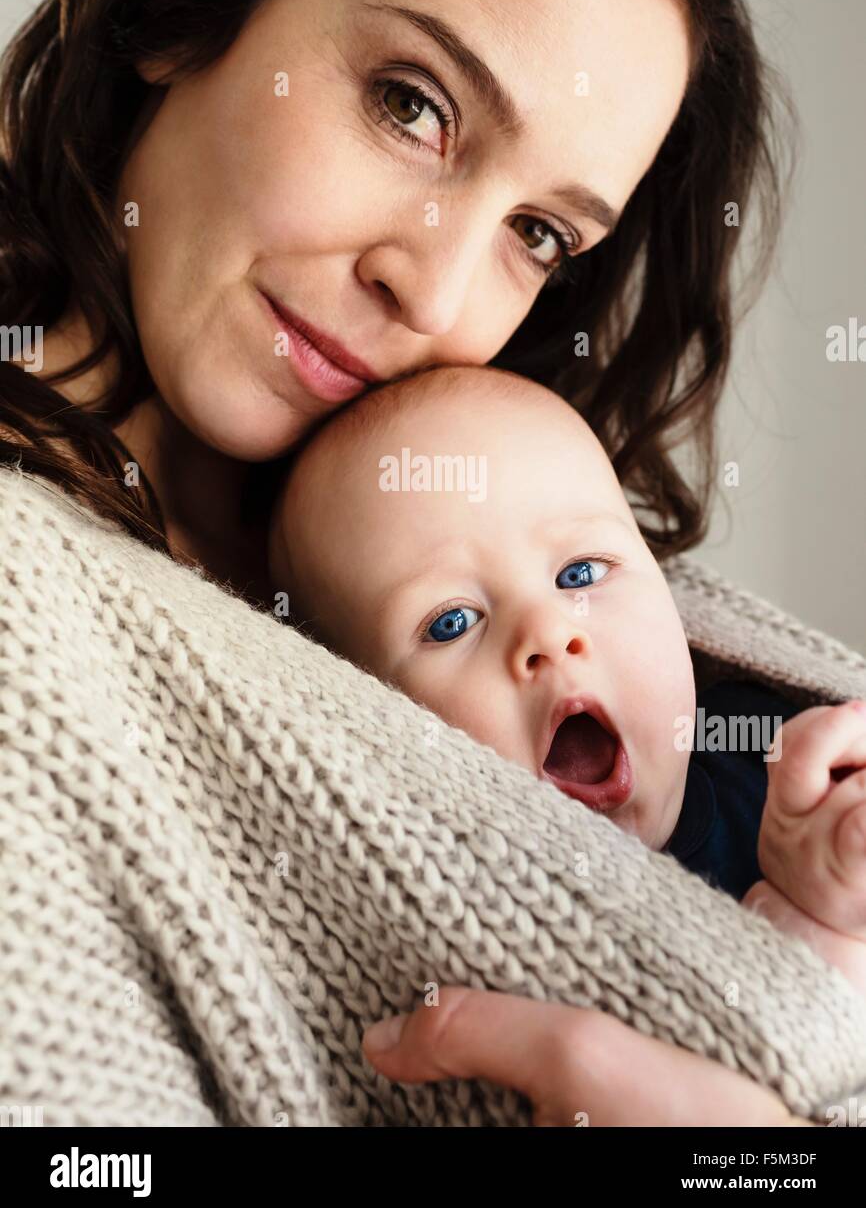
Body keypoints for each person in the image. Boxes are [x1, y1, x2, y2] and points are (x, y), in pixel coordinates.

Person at [0, 0, 810, 1124]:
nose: (429, 289)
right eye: (411, 103)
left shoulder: (490, 530)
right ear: (186, 2)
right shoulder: (30, 618)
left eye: (537, 232)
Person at [269, 362, 866, 1001]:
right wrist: (817, 931)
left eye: (580, 574)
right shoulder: (462, 943)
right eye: (451, 623)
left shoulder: (773, 753)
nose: (549, 635)